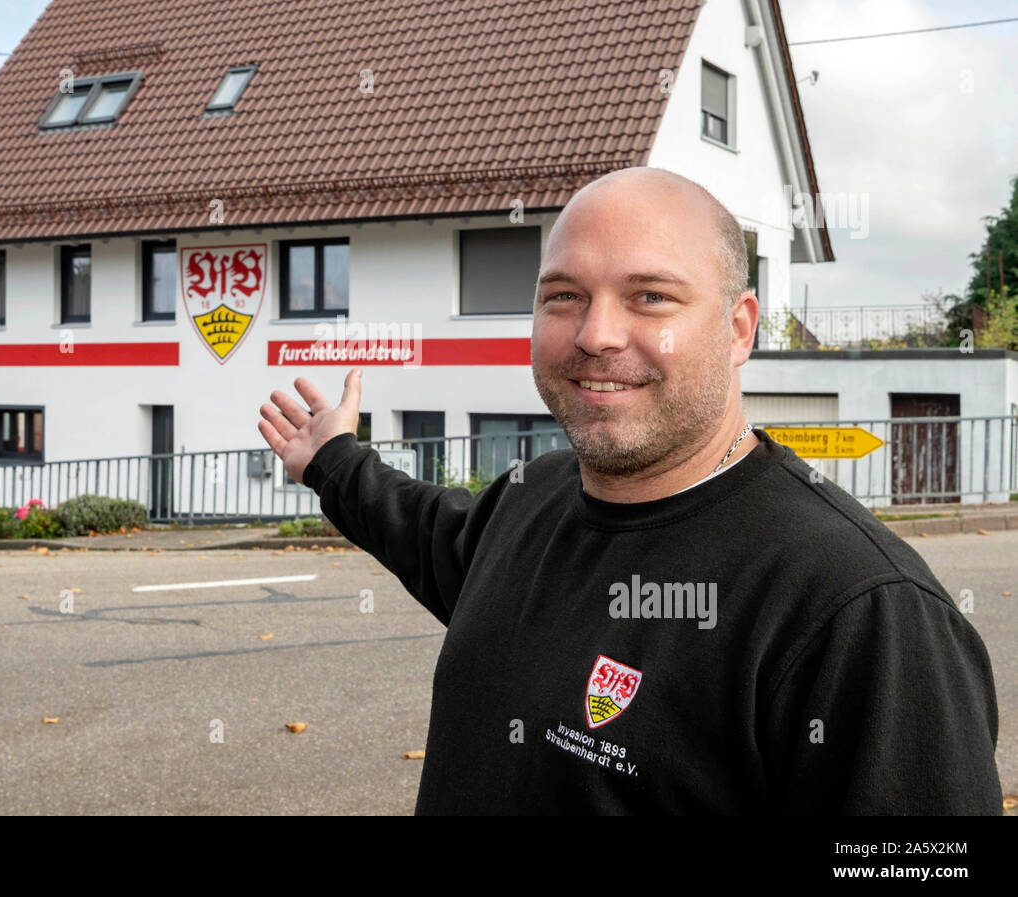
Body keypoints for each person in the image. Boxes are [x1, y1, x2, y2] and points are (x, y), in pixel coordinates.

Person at [257, 167, 1003, 815]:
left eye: (649, 296)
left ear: (739, 330)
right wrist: (333, 459)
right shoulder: (529, 500)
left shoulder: (861, 609)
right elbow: (420, 527)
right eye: (563, 296)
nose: (596, 334)